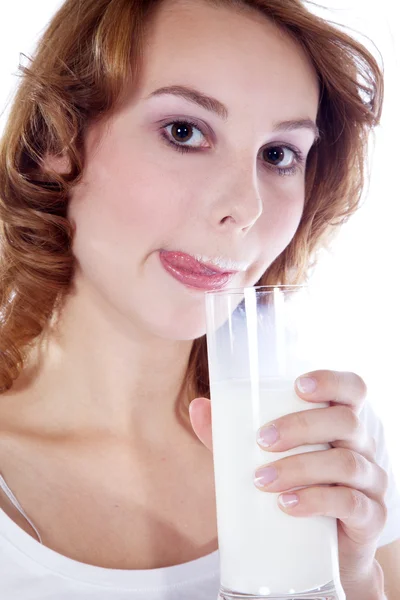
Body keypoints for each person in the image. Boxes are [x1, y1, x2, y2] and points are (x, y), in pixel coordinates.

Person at [0, 0, 399, 598]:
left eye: (278, 154)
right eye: (184, 132)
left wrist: (352, 575)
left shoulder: (326, 443)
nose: (246, 207)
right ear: (56, 139)